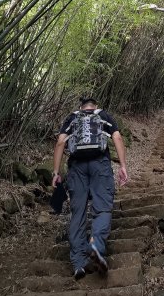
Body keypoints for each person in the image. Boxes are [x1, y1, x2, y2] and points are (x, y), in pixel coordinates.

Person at [52, 97, 128, 279]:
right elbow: (117, 136)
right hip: (100, 165)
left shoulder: (71, 118)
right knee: (102, 209)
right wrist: (123, 166)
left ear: (80, 107)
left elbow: (61, 143)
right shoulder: (103, 115)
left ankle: (79, 263)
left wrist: (56, 172)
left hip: (77, 168)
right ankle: (96, 243)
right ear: (95, 106)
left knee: (78, 213)